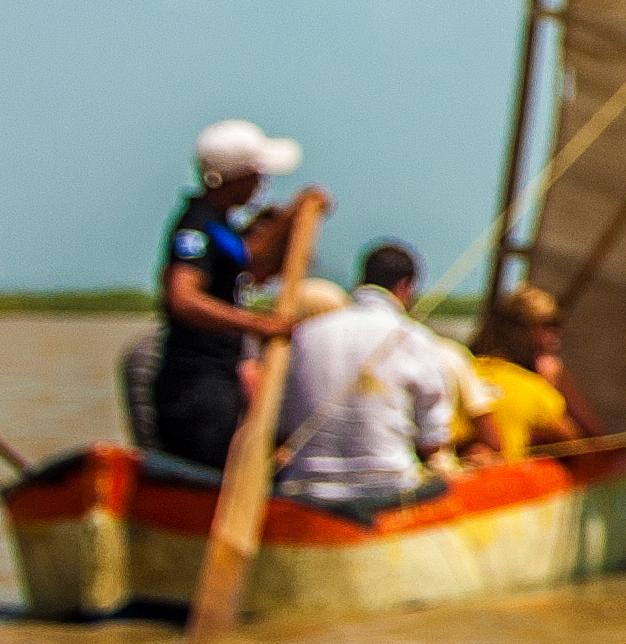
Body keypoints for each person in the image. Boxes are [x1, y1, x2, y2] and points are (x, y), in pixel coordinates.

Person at [151, 120, 320, 471]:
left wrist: (296, 214)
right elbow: (182, 297)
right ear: (237, 179)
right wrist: (256, 324)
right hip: (197, 385)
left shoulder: (220, 226)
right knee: (207, 476)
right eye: (257, 175)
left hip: (219, 381)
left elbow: (252, 257)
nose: (262, 184)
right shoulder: (196, 227)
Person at [274, 241, 459, 517]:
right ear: (405, 286)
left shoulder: (306, 335)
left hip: (306, 491)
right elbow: (432, 441)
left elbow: (281, 427)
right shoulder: (415, 338)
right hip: (388, 492)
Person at [457, 284, 604, 466]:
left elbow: (593, 439)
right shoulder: (531, 382)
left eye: (555, 325)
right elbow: (579, 444)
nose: (553, 337)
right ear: (517, 331)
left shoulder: (464, 368)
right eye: (545, 326)